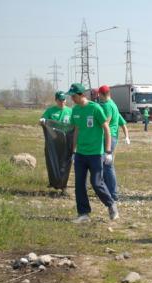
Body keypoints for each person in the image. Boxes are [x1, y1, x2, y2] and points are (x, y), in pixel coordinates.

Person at [67, 83, 118, 223]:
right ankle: (83, 213)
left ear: (81, 94)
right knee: (79, 184)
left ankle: (111, 204)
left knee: (96, 182)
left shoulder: (95, 108)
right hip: (80, 154)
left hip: (96, 153)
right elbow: (76, 130)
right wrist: (73, 151)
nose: (72, 98)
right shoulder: (75, 110)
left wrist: (108, 151)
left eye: (73, 96)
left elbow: (106, 129)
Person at [98, 85, 131, 201]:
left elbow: (105, 122)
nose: (98, 96)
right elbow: (122, 123)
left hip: (108, 137)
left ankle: (113, 193)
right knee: (106, 164)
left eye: (99, 94)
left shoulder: (107, 105)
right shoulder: (113, 105)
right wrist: (127, 136)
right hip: (112, 137)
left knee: (107, 165)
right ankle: (109, 190)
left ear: (102, 94)